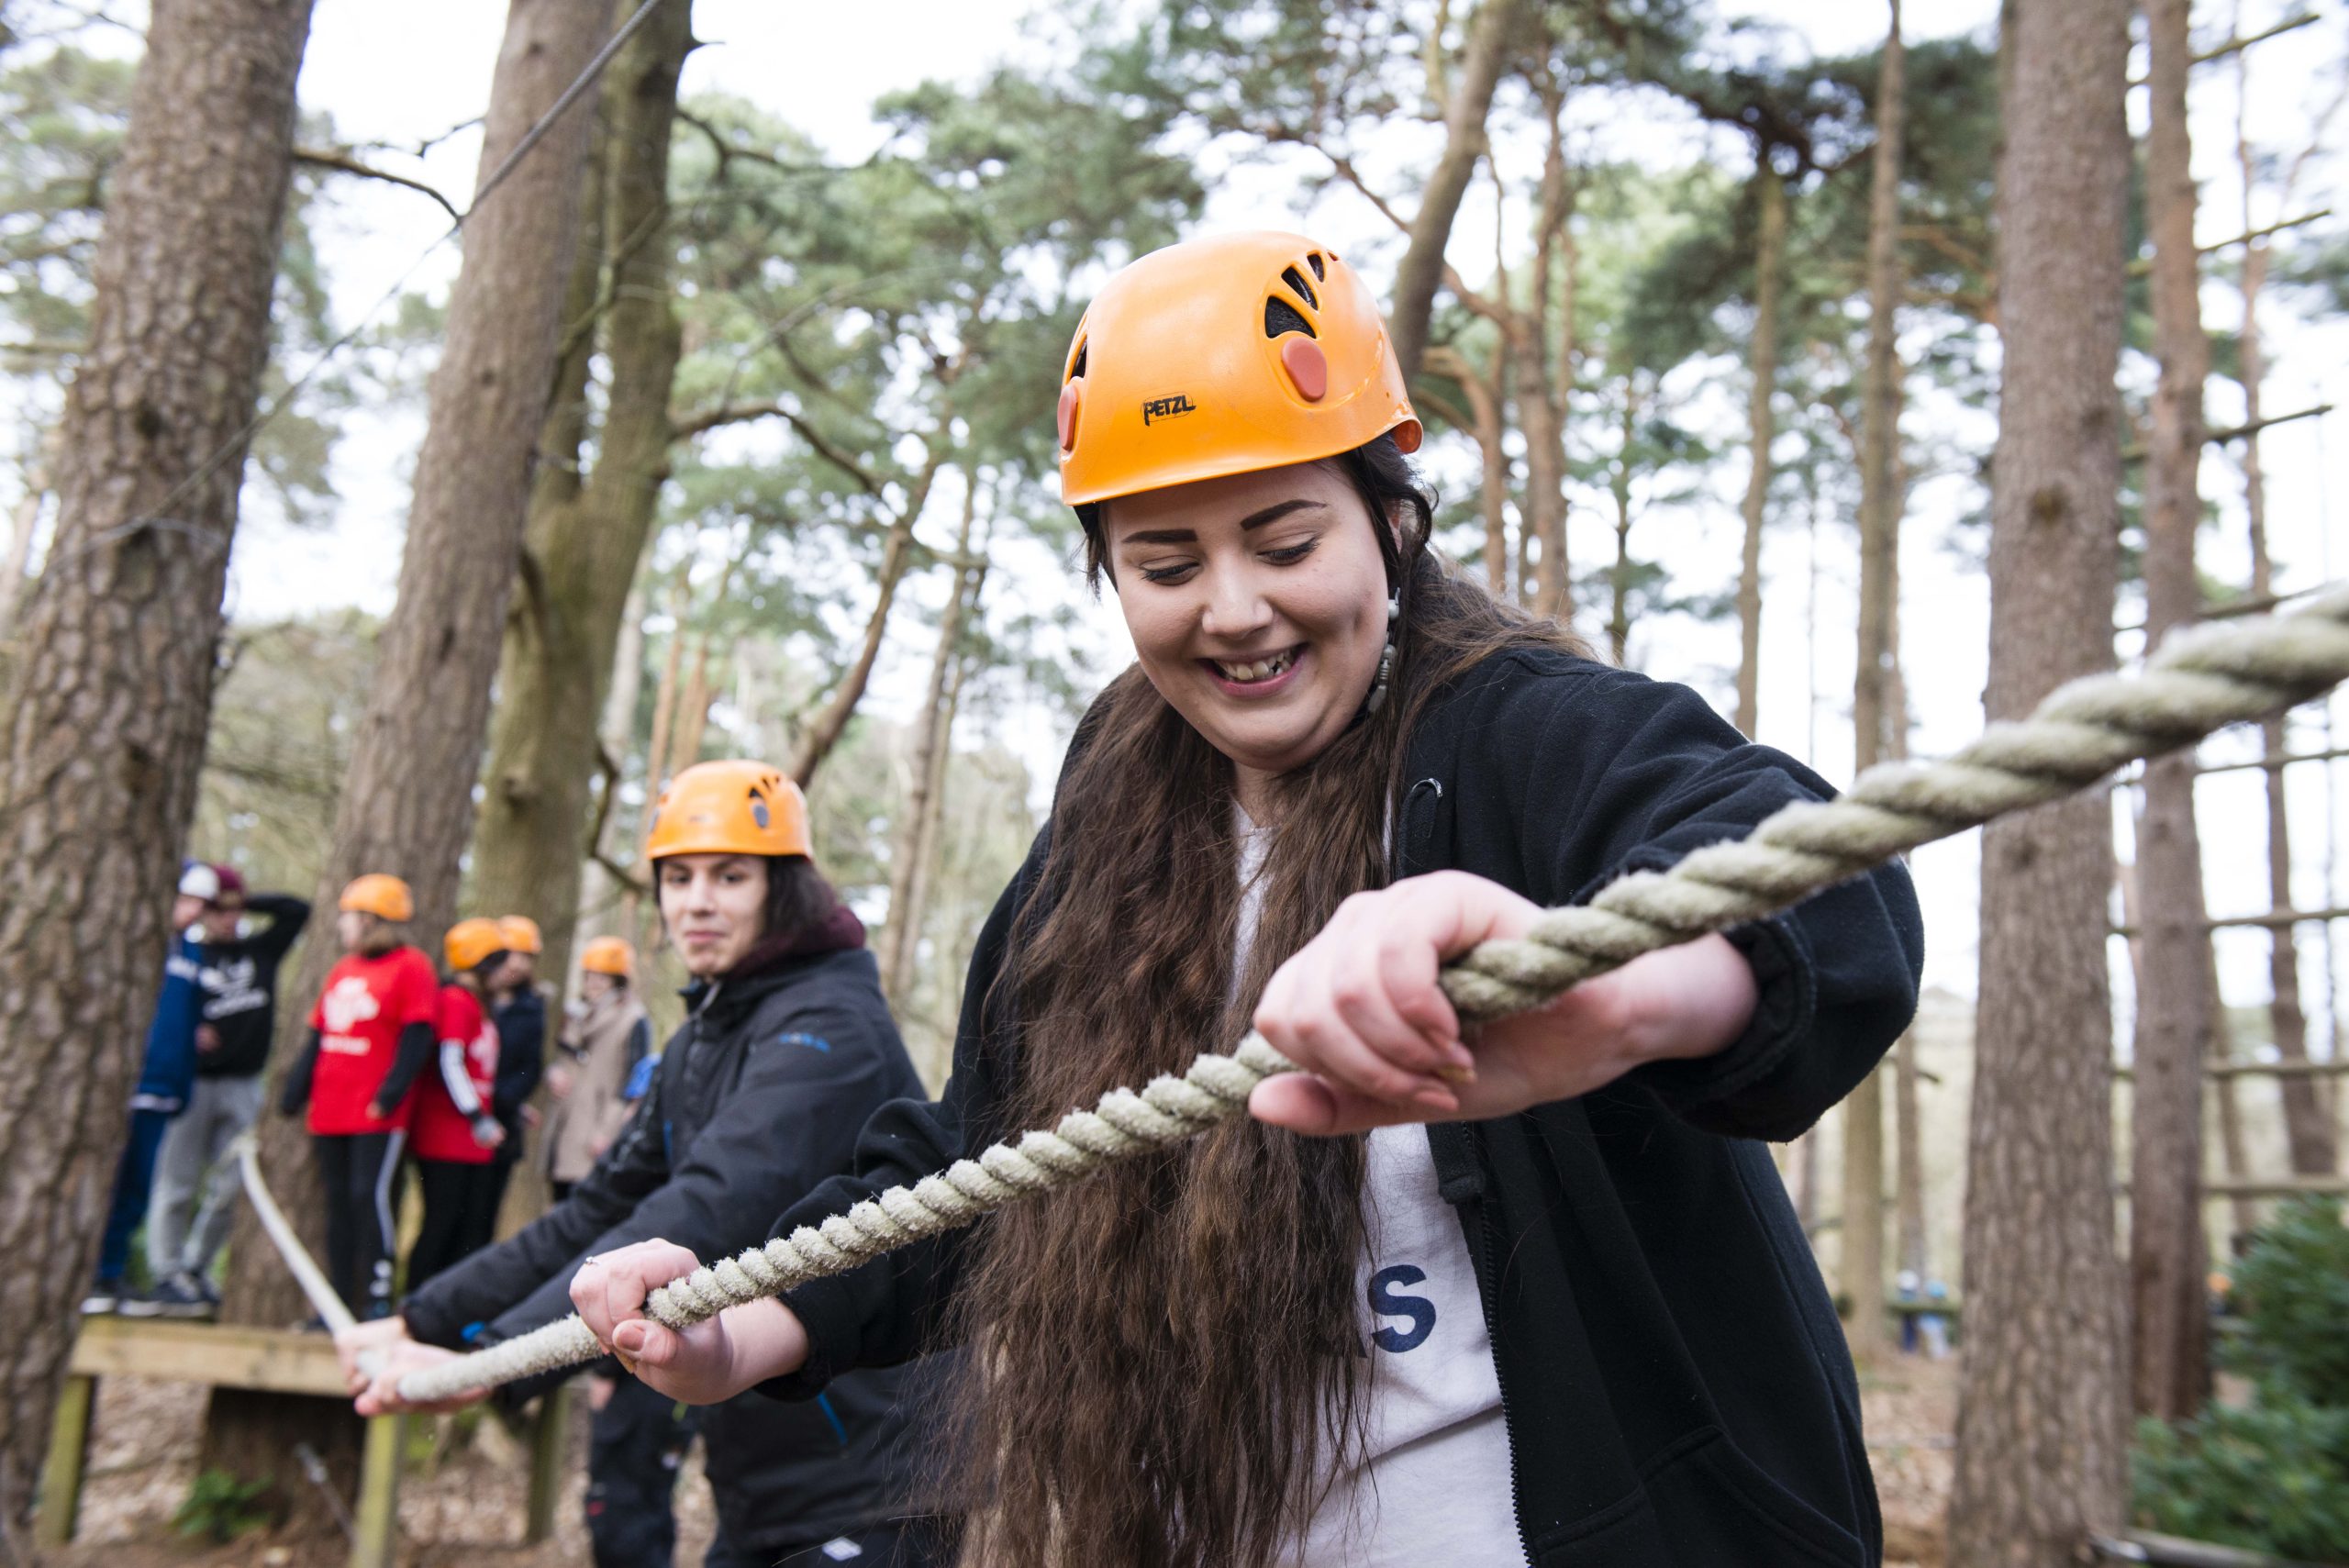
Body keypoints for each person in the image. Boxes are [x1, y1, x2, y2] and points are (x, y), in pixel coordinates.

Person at [573, 233, 1925, 1568]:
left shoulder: (1528, 738)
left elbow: (1811, 871)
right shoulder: (1108, 829)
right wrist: (733, 1323)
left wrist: (1616, 996)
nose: (1233, 610)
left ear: (1389, 526)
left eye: (1285, 539)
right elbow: (982, 1169)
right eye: (1165, 565)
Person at [346, 761, 934, 1568]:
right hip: (764, 1472)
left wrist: (498, 1361)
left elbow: (712, 1201)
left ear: (784, 887)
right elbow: (593, 1212)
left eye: (730, 875)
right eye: (678, 876)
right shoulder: (700, 1039)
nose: (697, 900)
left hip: (883, 1477)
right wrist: (426, 1319)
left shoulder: (833, 1029)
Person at [134, 867, 311, 1318]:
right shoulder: (189, 953)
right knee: (175, 1182)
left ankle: (196, 1265)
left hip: (243, 1084)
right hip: (191, 1083)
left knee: (235, 1182)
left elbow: (297, 911)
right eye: (217, 909)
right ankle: (166, 1271)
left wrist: (241, 898)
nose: (225, 919)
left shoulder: (260, 950)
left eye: (231, 910)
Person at [277, 873, 439, 1319]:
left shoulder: (412, 966)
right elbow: (318, 1035)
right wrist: (295, 1092)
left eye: (348, 918)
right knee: (338, 1204)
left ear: (371, 920)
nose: (341, 927)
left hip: (374, 1114)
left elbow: (417, 1038)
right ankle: (337, 1302)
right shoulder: (342, 970)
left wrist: (388, 1097)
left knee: (368, 1196)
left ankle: (376, 1299)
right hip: (329, 1110)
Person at [84, 862, 216, 1315]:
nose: (194, 911)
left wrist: (181, 1086)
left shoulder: (193, 955)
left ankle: (109, 1274)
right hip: (126, 1087)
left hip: (163, 1090)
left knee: (138, 1187)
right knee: (106, 1181)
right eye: (188, 900)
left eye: (201, 905)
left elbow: (189, 1025)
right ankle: (91, 1271)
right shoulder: (138, 940)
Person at [406, 917, 508, 1289]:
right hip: (445, 1137)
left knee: (467, 1227)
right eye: (497, 965)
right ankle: (416, 1299)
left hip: (472, 1141)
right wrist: (476, 1116)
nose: (503, 974)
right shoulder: (454, 1001)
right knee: (441, 1223)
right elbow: (451, 1063)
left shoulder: (481, 1007)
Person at [544, 936, 652, 1204]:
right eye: (589, 976)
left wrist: (609, 1132)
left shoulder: (634, 1019)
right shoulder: (576, 1015)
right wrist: (553, 1074)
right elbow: (563, 1058)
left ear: (618, 981)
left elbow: (634, 1081)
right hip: (564, 1127)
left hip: (598, 1131)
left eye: (602, 978)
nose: (593, 984)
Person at [482, 913, 548, 1222]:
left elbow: (531, 1066)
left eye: (526, 957)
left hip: (503, 1122)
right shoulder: (474, 998)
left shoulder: (532, 1009)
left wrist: (505, 1101)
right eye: (512, 954)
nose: (518, 964)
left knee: (484, 1213)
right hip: (458, 1120)